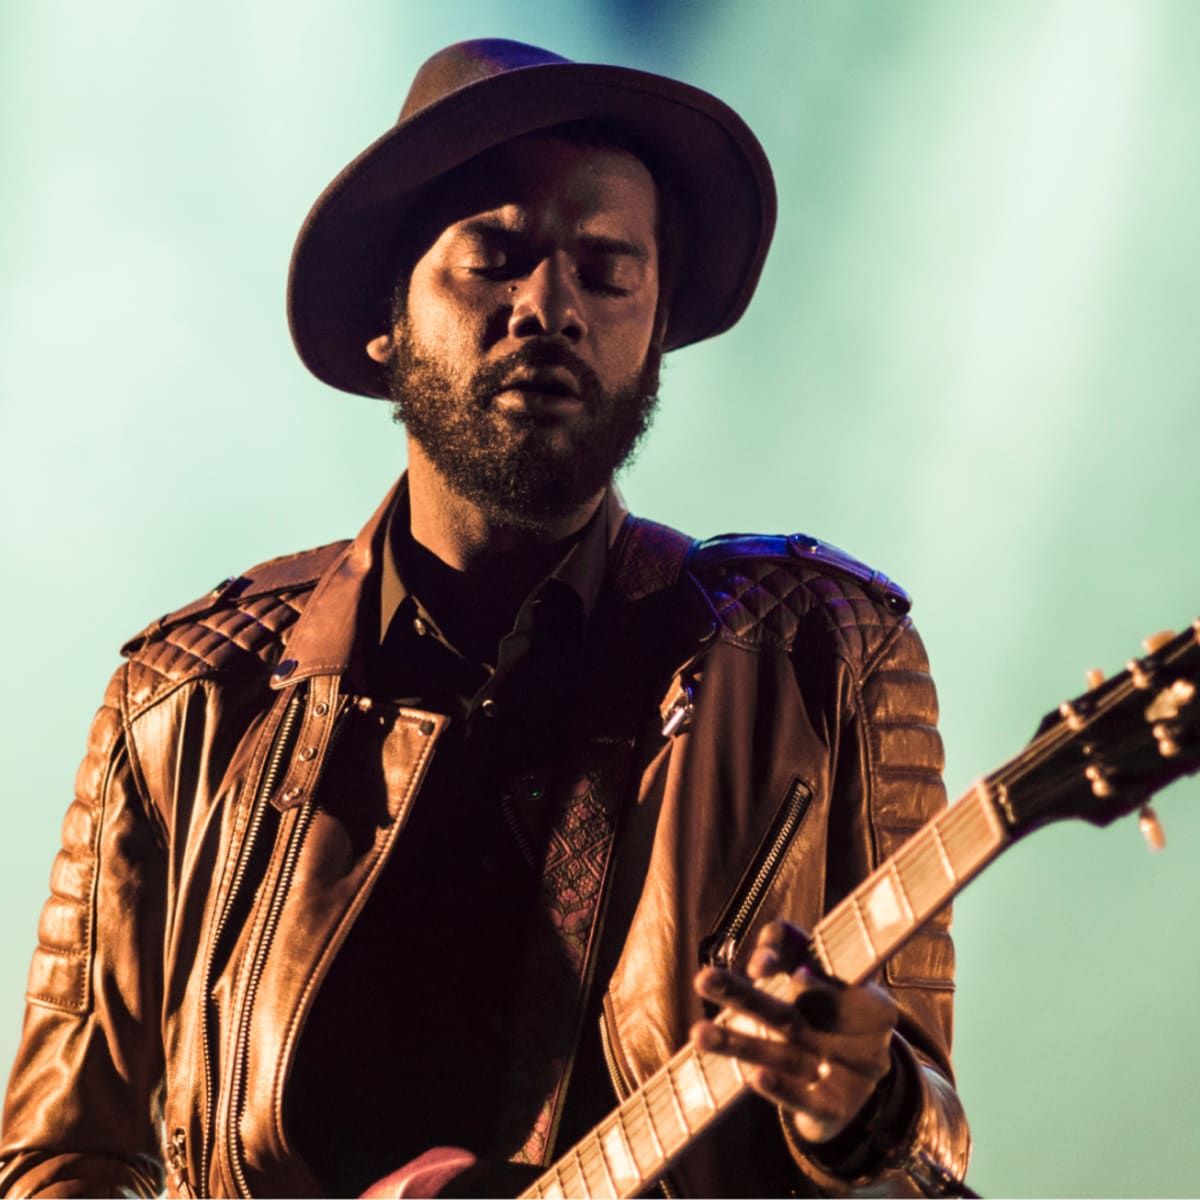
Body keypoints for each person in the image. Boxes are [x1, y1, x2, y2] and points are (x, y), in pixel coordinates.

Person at [0, 39, 970, 1199]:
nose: (550, 308)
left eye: (609, 270)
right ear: (385, 317)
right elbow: (61, 1161)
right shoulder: (185, 700)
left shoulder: (825, 658)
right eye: (498, 257)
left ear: (655, 334)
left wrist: (860, 1107)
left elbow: (932, 1169)